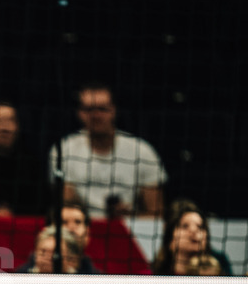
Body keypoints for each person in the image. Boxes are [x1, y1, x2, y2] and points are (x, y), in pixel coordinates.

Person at [49, 82, 167, 218]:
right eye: (89, 109)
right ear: (79, 113)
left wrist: (130, 216)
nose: (96, 116)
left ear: (114, 110)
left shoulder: (142, 151)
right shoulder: (63, 150)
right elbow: (66, 205)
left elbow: (157, 214)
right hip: (82, 228)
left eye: (102, 109)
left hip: (130, 229)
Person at [151, 203, 211, 275]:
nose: (194, 230)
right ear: (170, 237)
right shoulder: (148, 277)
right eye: (184, 226)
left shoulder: (218, 277)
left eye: (200, 226)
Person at [14, 225, 83, 274]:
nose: (48, 257)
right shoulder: (22, 275)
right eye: (43, 251)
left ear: (69, 257)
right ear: (36, 253)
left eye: (55, 252)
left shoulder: (82, 279)